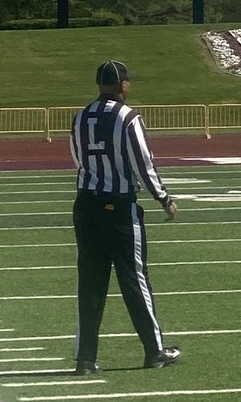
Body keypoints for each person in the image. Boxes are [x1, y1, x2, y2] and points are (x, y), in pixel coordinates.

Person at [70, 60, 180, 374]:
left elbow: (78, 159)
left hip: (86, 205)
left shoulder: (80, 117)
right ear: (123, 85)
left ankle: (85, 358)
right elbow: (143, 163)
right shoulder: (128, 117)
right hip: (118, 208)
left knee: (90, 283)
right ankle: (154, 351)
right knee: (134, 279)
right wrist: (164, 199)